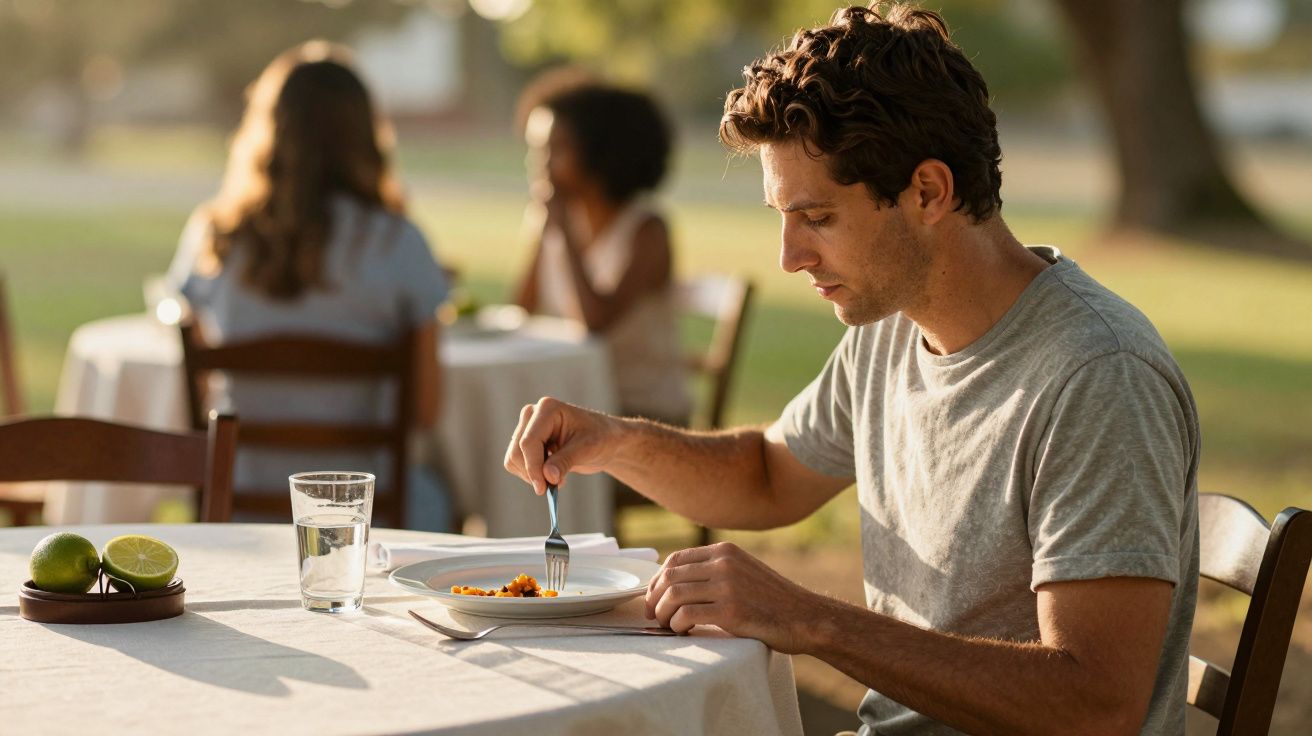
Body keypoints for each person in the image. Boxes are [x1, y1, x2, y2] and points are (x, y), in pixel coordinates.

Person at [504, 5, 1200, 734]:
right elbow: (768, 475)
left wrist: (811, 620)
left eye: (819, 218)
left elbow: (1096, 705)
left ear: (928, 192)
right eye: (783, 217)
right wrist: (612, 440)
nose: (789, 257)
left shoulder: (1098, 374)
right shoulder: (893, 325)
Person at [167, 41, 452, 530]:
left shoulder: (215, 239)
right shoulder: (398, 244)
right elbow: (423, 412)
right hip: (372, 513)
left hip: (241, 505)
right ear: (366, 135)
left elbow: (190, 404)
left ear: (266, 130)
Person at [511, 73, 692, 425]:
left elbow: (595, 323)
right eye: (537, 149)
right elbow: (521, 312)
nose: (541, 165)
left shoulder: (647, 230)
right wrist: (549, 230)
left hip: (640, 414)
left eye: (557, 149)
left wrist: (562, 233)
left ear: (599, 152)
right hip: (579, 401)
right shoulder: (550, 219)